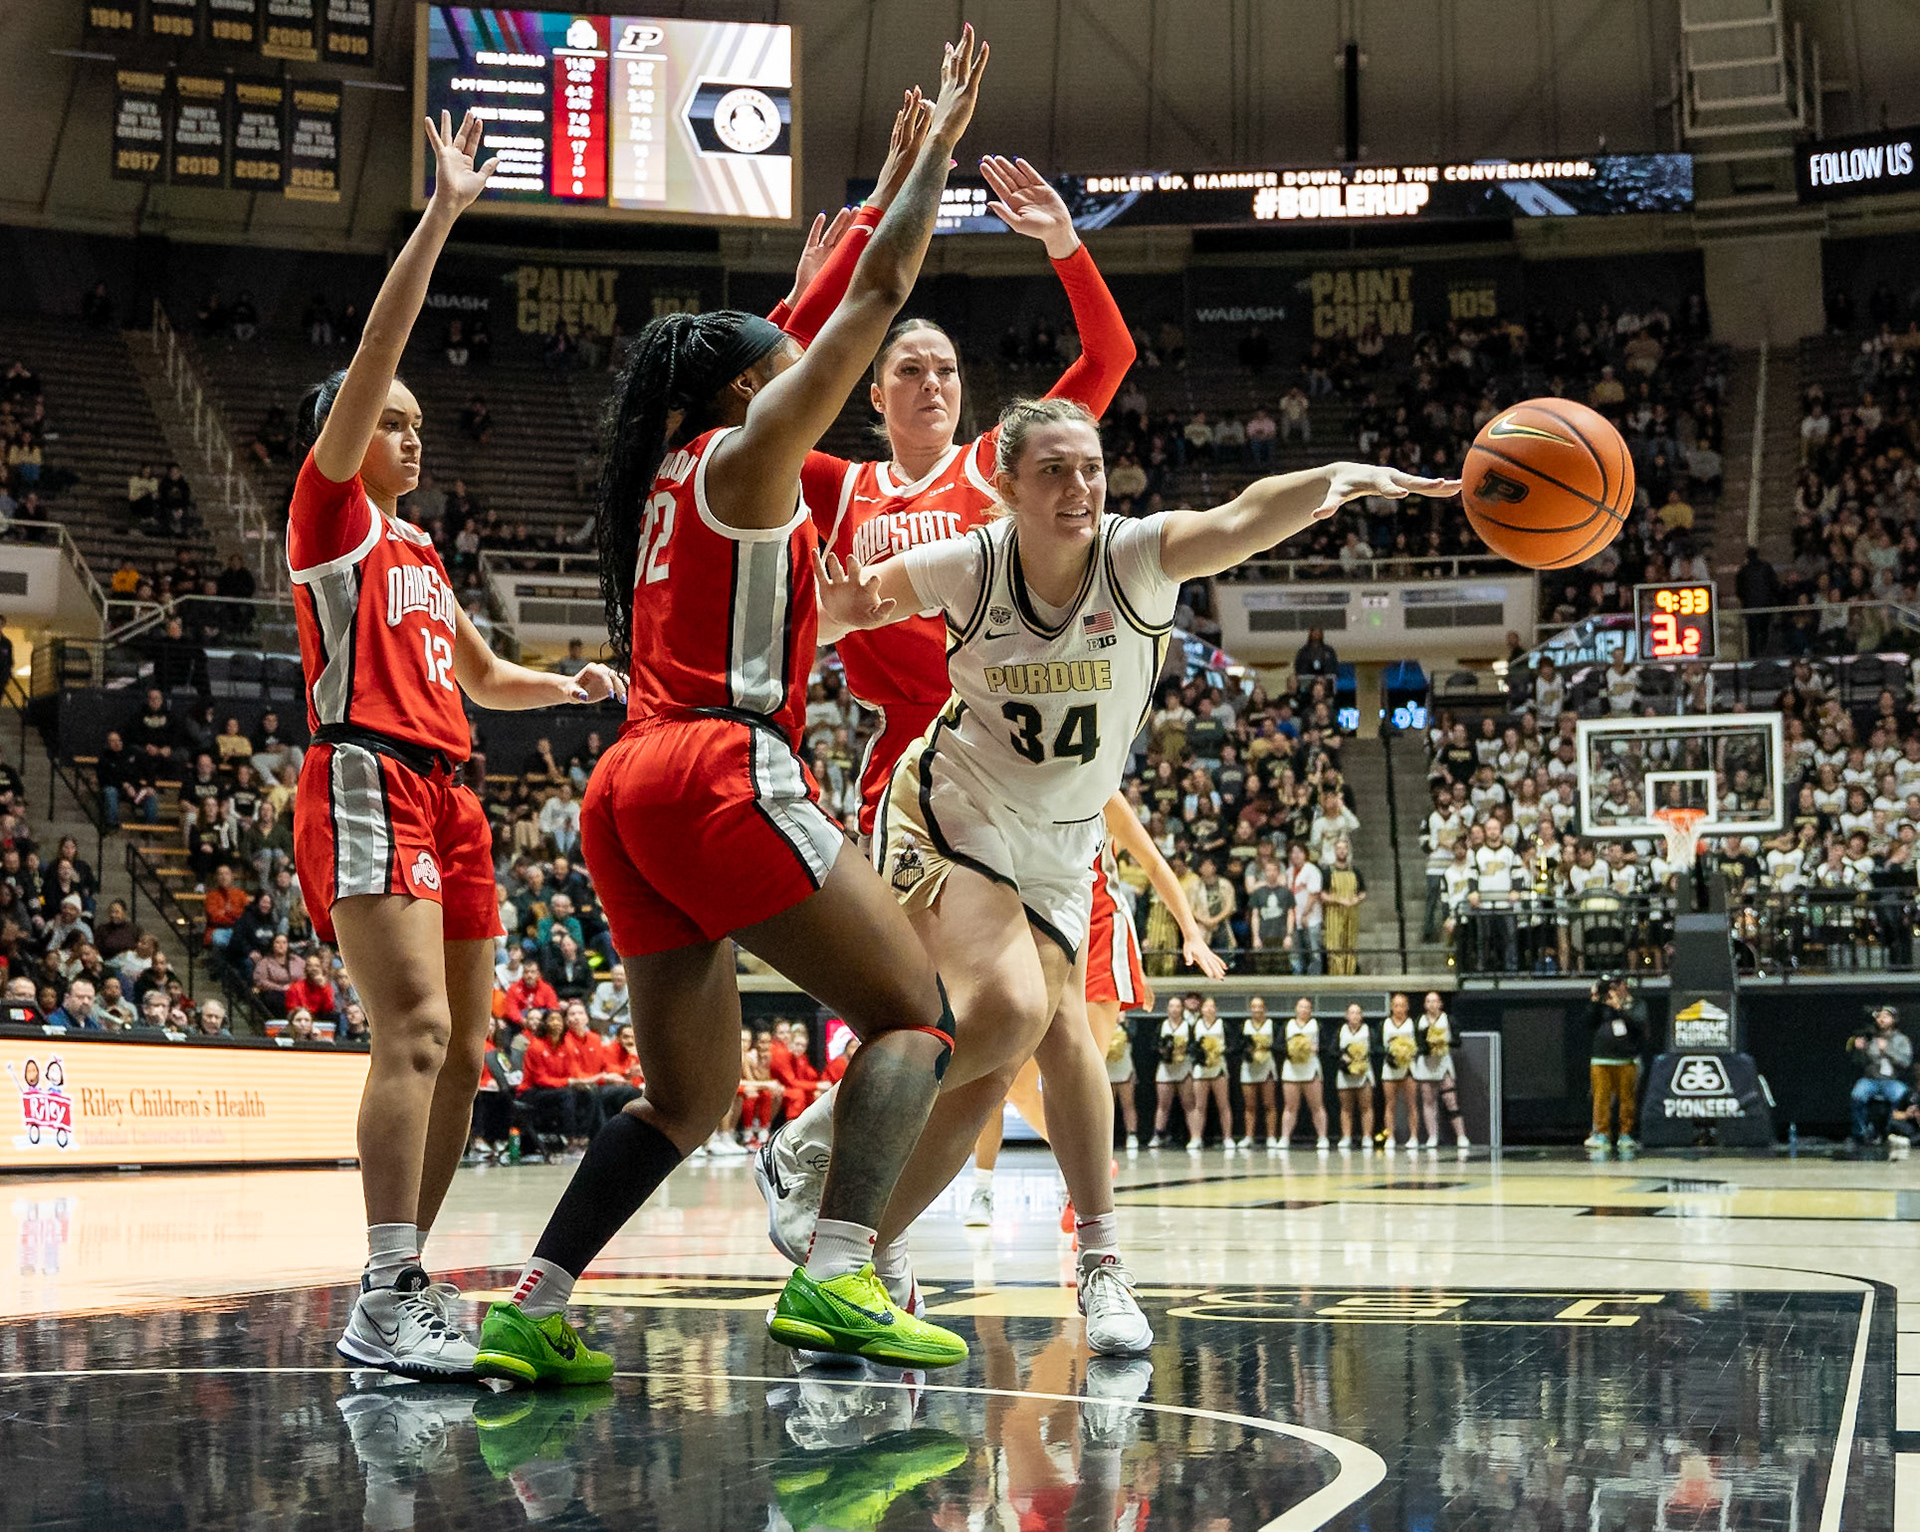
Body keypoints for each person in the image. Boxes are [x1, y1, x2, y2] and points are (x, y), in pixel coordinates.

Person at [754, 343, 1453, 1351]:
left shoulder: (1138, 554)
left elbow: (1241, 518)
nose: (1079, 485)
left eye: (1091, 466)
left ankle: (849, 1236)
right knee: (1013, 1010)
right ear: (1007, 487)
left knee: (996, 1054)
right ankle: (945, 1210)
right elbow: (850, 606)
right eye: (1053, 470)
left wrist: (1336, 479)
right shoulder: (970, 560)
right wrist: (800, 613)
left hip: (1059, 836)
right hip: (950, 808)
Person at [472, 46, 985, 1388]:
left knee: (688, 1098)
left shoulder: (663, 473)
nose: (802, 367)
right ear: (748, 391)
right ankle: (836, 1276)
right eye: (786, 361)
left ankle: (533, 1299)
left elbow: (792, 321)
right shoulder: (755, 457)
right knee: (916, 1017)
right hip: (720, 768)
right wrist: (924, 172)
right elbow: (874, 301)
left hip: (626, 790)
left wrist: (849, 225)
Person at [290, 111, 627, 1382]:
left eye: (423, 425)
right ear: (348, 431)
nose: (412, 435)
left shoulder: (426, 552)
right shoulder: (331, 517)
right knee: (416, 1031)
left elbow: (483, 676)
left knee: (467, 1052)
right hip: (370, 767)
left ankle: (402, 1286)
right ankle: (382, 1287)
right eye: (395, 420)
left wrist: (573, 680)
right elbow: (378, 346)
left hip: (453, 789)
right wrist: (440, 215)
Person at [1584, 976, 1646, 1153]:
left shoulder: (1635, 1004)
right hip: (1601, 1058)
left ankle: (1625, 1134)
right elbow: (1588, 1022)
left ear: (1623, 985)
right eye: (1609, 987)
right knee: (1601, 1098)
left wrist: (1619, 1008)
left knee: (1627, 1098)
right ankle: (1601, 1134)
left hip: (1625, 1058)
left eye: (1615, 985)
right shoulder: (1601, 1006)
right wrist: (1595, 1001)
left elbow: (1638, 1025)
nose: (1612, 989)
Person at [1848, 1005, 1913, 1152]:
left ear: (1893, 1020)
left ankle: (1890, 1133)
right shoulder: (1870, 1038)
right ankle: (1861, 1134)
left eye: (1886, 1016)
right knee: (1857, 1095)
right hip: (1871, 1079)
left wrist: (1887, 1049)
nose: (1882, 1019)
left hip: (1892, 1080)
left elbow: (1906, 1062)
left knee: (1900, 1096)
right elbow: (1858, 1063)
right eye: (1879, 1017)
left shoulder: (1901, 1039)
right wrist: (1860, 1050)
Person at [1413, 990, 1470, 1151]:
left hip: (1443, 1063)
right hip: (1426, 1064)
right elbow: (1418, 1043)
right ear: (1425, 1005)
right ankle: (1433, 1136)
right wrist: (1428, 1045)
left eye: (1435, 1001)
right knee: (1428, 1101)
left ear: (1440, 1003)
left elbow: (1457, 1041)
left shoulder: (1448, 1019)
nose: (1432, 1004)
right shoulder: (1420, 1021)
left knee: (1451, 1100)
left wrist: (1442, 1042)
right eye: (1428, 1001)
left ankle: (1461, 1135)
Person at [1278, 996, 1330, 1150]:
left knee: (1317, 1105)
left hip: (1311, 1068)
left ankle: (1322, 1137)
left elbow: (1326, 1046)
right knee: (1290, 1106)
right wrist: (1290, 1050)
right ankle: (1285, 1137)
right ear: (1296, 1009)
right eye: (1301, 1007)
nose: (1303, 1010)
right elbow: (1277, 1045)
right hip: (1291, 1069)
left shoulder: (1317, 1025)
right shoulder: (1288, 1025)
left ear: (1311, 1010)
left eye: (1307, 1007)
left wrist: (1315, 1048)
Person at [1148, 995, 1194, 1150]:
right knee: (1163, 1105)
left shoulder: (1188, 1026)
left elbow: (1194, 1046)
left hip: (1184, 1067)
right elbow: (1153, 1046)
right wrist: (1164, 1050)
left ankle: (1195, 1137)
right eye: (1171, 1006)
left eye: (1177, 1006)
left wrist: (1183, 1050)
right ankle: (1158, 1134)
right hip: (1166, 1068)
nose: (1174, 1009)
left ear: (1182, 1009)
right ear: (1168, 1009)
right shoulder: (1162, 1026)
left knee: (1189, 1104)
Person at [1188, 995, 1232, 1152]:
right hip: (1201, 1070)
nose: (1209, 1009)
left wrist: (1218, 1051)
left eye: (1212, 1006)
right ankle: (1196, 1137)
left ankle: (1227, 1138)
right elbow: (1191, 1047)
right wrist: (1200, 1055)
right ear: (1202, 1009)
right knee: (1199, 1106)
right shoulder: (1195, 1025)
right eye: (1206, 1006)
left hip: (1219, 1068)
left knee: (1223, 1105)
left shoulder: (1222, 1025)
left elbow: (1231, 1046)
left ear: (1216, 1010)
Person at [1333, 1002, 1376, 1150]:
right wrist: (1344, 1056)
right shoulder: (1341, 1030)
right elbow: (1331, 1050)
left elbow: (1376, 1049)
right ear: (1347, 1015)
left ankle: (1367, 1137)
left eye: (1358, 1013)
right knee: (1346, 1108)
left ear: (1362, 1016)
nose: (1355, 1015)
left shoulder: (1368, 1030)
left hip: (1364, 1073)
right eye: (1352, 1012)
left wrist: (1362, 1056)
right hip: (1345, 1074)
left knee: (1366, 1106)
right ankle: (1346, 1137)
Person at [1379, 991, 1419, 1148]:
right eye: (1396, 1005)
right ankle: (1390, 1137)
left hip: (1408, 1068)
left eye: (1402, 1005)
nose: (1399, 1008)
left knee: (1411, 1104)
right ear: (1391, 1007)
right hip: (1389, 1067)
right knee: (1390, 1104)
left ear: (1407, 1007)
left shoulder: (1412, 1023)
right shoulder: (1385, 1024)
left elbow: (1419, 1045)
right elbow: (1378, 1046)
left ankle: (1414, 1137)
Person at [1237, 995, 1278, 1148]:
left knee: (1269, 1103)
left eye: (1259, 1006)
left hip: (1266, 1066)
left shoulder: (1271, 1024)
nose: (1256, 1009)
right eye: (1253, 1007)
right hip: (1249, 1067)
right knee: (1250, 1105)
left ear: (1264, 1009)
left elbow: (1278, 1045)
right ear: (1250, 1009)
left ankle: (1271, 1137)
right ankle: (1249, 1136)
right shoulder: (1245, 1025)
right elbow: (1238, 1045)